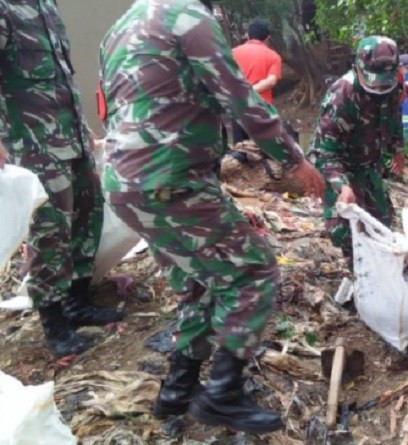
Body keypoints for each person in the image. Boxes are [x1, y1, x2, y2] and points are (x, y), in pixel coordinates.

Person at [99, 0, 324, 434]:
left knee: (200, 281)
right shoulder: (187, 18)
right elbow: (240, 99)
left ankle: (177, 389)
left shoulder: (119, 27)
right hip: (171, 178)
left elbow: (111, 105)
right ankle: (223, 392)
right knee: (253, 270)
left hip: (125, 184)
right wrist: (293, 159)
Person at [0, 0, 124, 359]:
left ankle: (78, 301)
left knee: (88, 212)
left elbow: (62, 77)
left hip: (71, 137)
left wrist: (82, 126)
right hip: (33, 143)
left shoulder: (47, 6)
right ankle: (54, 324)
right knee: (50, 229)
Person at [308, 35, 405, 258]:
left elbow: (394, 118)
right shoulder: (342, 95)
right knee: (344, 229)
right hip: (338, 162)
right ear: (357, 67)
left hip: (369, 159)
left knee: (382, 222)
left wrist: (397, 150)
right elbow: (326, 152)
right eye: (374, 81)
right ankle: (356, 267)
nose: (380, 86)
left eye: (385, 81)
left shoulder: (393, 85)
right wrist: (342, 185)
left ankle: (378, 263)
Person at [231, 19, 281, 143]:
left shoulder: (232, 53)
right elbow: (271, 81)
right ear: (268, 38)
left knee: (240, 148)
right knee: (264, 148)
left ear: (248, 35)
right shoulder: (273, 56)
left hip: (238, 107)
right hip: (262, 109)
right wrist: (250, 91)